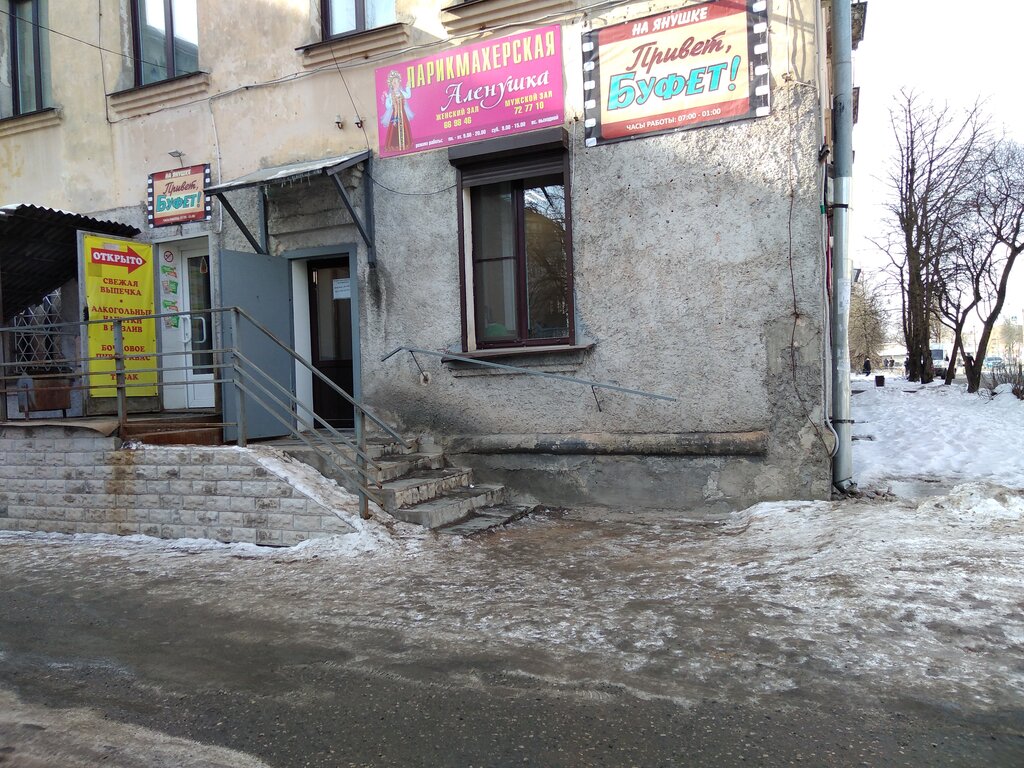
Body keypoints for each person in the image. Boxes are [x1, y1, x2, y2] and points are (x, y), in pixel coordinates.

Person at [380, 70, 414, 153]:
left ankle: (405, 144)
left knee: (405, 128)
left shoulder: (401, 92)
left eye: (397, 82)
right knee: (394, 130)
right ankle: (394, 146)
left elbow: (408, 96)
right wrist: (387, 98)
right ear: (391, 84)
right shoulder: (391, 95)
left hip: (403, 114)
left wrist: (408, 87)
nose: (396, 84)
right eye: (394, 82)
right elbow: (388, 106)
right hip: (395, 115)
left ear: (399, 83)